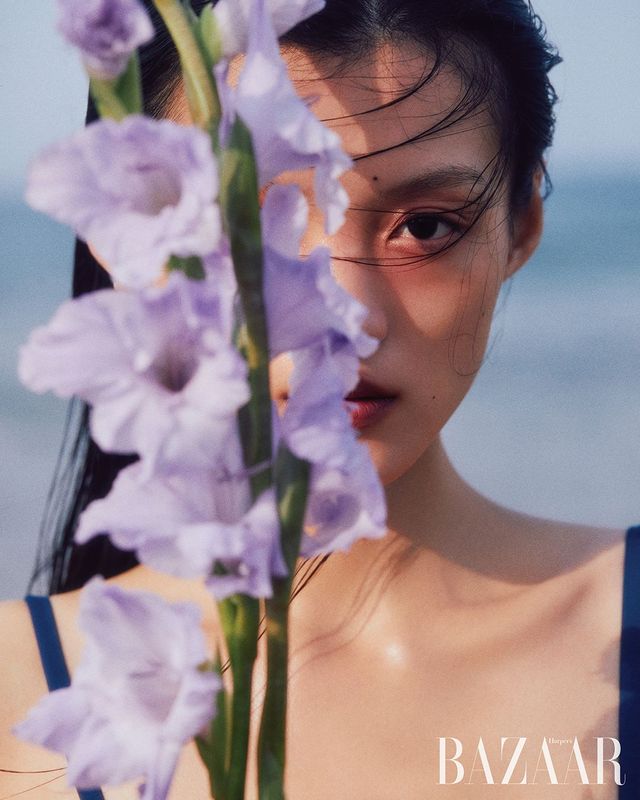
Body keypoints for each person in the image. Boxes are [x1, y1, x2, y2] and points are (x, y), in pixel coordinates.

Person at [0, 0, 636, 797]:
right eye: (251, 219)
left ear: (522, 226)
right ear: (121, 233)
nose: (346, 315)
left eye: (428, 227)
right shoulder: (17, 694)